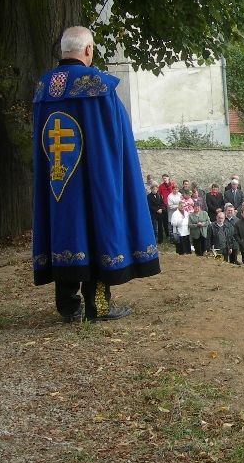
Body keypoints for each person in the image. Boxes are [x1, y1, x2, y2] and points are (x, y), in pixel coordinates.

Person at [32, 26, 160, 321]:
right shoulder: (97, 86)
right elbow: (114, 139)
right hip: (92, 178)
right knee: (97, 227)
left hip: (57, 179)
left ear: (64, 49)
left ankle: (68, 306)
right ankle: (97, 306)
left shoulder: (43, 88)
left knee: (63, 228)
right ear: (88, 50)